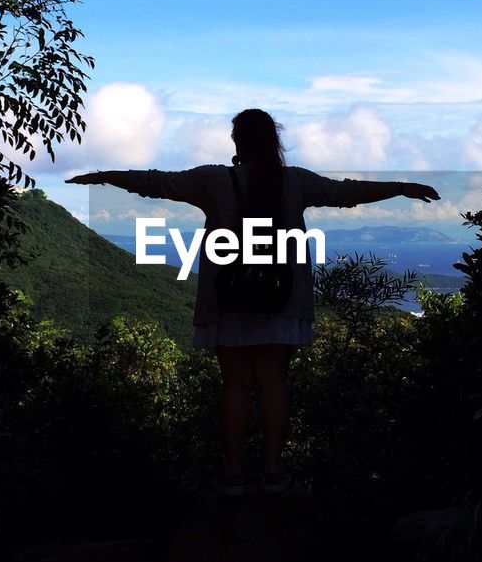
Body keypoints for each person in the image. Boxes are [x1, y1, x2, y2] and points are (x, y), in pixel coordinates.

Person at [66, 109, 439, 497]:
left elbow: (155, 182)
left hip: (228, 296)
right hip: (281, 294)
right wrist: (402, 186)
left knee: (235, 385)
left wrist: (102, 177)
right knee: (274, 381)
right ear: (273, 140)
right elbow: (348, 193)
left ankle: (231, 475)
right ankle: (274, 473)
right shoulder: (294, 181)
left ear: (236, 141)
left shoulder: (213, 179)